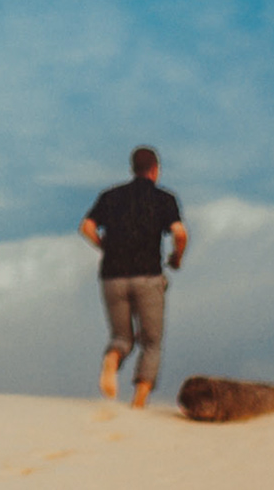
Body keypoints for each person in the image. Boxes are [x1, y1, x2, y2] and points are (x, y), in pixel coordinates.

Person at [80, 146, 187, 408]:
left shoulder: (111, 196)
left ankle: (111, 361)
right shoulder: (164, 199)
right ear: (155, 169)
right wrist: (177, 257)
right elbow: (180, 233)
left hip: (112, 276)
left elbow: (87, 227)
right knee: (151, 342)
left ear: (133, 168)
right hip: (148, 276)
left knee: (122, 338)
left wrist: (104, 246)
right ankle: (138, 403)